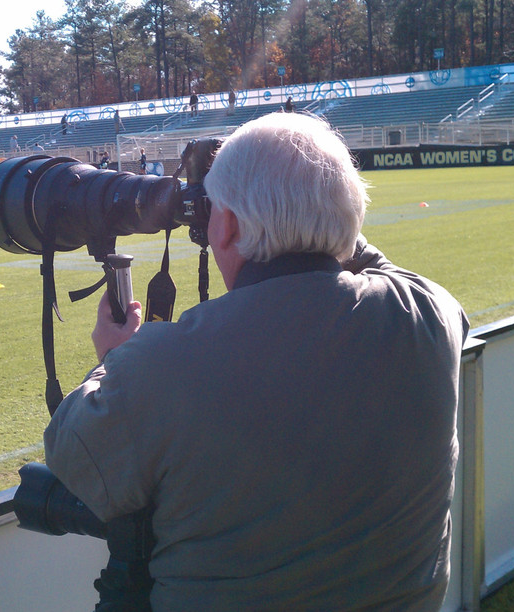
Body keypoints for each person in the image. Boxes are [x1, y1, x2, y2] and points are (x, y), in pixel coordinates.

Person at [44, 112, 469, 611]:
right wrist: (318, 207)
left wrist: (112, 362)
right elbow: (371, 260)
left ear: (223, 226)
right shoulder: (430, 314)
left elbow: (72, 456)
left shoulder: (159, 365)